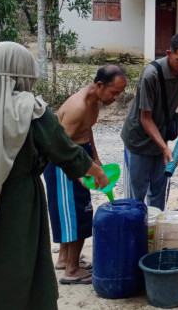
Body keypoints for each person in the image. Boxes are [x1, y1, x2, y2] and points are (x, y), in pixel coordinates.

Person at [0, 42, 108, 310]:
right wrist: (93, 169)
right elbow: (62, 148)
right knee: (18, 259)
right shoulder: (29, 109)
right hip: (17, 202)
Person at [43, 65, 127, 285]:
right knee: (78, 214)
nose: (116, 98)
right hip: (64, 162)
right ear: (100, 85)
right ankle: (72, 271)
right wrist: (80, 172)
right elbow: (59, 146)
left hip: (79, 155)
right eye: (114, 93)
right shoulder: (78, 106)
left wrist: (95, 158)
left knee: (72, 212)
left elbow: (87, 129)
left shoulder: (94, 100)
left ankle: (64, 259)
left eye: (120, 93)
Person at [122, 32, 178, 210]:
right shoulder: (150, 75)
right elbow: (145, 119)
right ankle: (136, 235)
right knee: (136, 197)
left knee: (158, 193)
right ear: (169, 53)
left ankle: (154, 234)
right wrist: (165, 148)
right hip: (139, 140)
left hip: (160, 136)